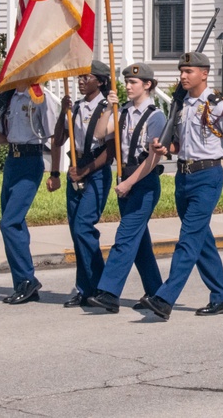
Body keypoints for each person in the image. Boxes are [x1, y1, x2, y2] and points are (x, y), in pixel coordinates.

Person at [143, 51, 223, 321]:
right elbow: (180, 144)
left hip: (207, 176)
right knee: (201, 240)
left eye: (189, 71)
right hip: (183, 176)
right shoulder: (180, 106)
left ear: (204, 73)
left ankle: (165, 298)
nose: (183, 75)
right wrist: (165, 147)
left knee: (188, 239)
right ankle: (222, 296)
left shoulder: (218, 106)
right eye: (181, 71)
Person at [86, 63, 167, 314]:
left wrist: (129, 183)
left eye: (133, 82)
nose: (128, 86)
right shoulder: (122, 111)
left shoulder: (156, 116)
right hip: (125, 181)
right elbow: (100, 134)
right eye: (126, 82)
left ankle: (109, 293)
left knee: (125, 237)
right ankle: (156, 292)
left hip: (143, 183)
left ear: (148, 85)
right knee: (138, 241)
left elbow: (154, 158)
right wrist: (108, 110)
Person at [0, 83, 58, 305]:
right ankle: (23, 282)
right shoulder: (9, 98)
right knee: (15, 224)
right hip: (12, 161)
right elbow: (8, 135)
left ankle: (27, 280)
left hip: (30, 161)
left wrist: (55, 172)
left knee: (9, 222)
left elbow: (54, 135)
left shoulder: (39, 97)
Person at [46, 61, 115, 308]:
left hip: (95, 171)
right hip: (74, 170)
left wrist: (85, 170)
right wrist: (62, 112)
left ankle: (101, 285)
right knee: (77, 232)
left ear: (101, 81)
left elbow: (110, 152)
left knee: (84, 227)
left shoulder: (108, 108)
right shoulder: (74, 107)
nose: (81, 81)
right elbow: (60, 138)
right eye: (80, 77)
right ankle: (83, 287)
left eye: (86, 77)